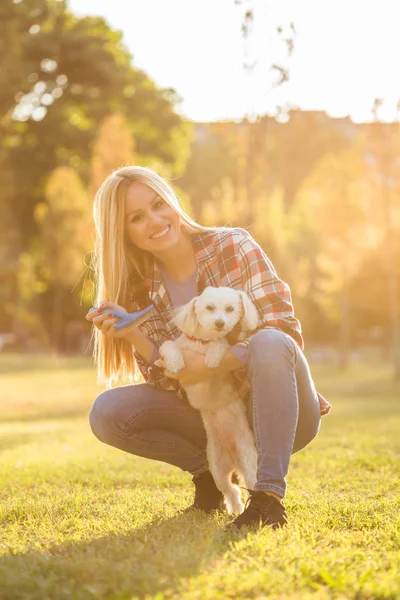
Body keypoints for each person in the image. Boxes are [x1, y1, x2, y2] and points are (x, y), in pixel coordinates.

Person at [86, 165, 331, 531]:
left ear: (171, 201)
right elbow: (166, 381)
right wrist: (132, 331)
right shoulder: (139, 285)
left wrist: (212, 365)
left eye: (158, 204)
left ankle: (266, 499)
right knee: (108, 412)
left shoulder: (233, 244)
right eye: (137, 218)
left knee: (268, 339)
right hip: (214, 416)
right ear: (125, 234)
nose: (155, 220)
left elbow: (283, 333)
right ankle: (211, 481)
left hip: (283, 415)